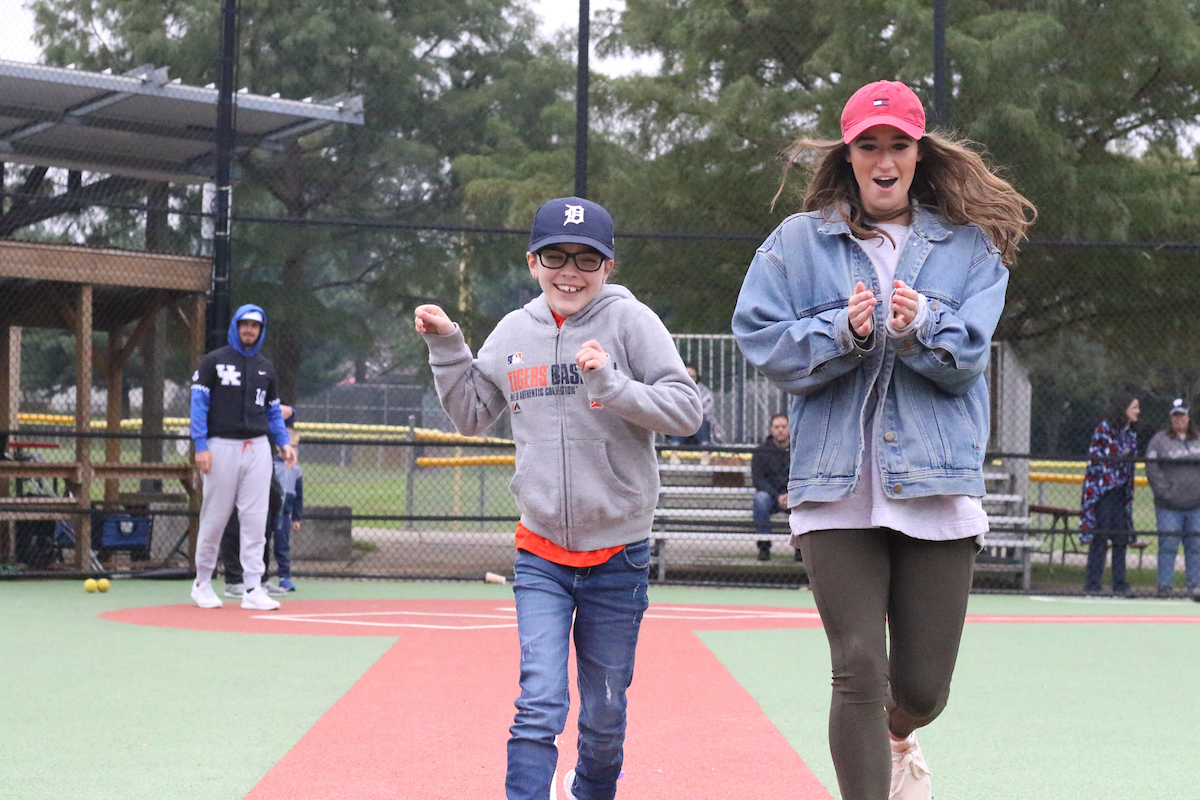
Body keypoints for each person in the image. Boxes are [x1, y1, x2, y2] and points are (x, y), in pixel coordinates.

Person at [732, 79, 1035, 800]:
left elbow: (966, 360)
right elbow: (761, 336)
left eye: (898, 144)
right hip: (834, 483)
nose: (884, 158)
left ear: (920, 154)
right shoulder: (796, 243)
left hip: (934, 478)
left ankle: (899, 735)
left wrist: (918, 323)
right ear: (849, 156)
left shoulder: (970, 248)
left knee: (924, 688)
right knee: (858, 668)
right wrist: (845, 330)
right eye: (869, 145)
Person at [414, 196, 702, 800]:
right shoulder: (514, 331)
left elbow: (685, 410)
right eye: (555, 257)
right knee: (540, 699)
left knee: (602, 716)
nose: (570, 272)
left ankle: (591, 789)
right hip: (540, 552)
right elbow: (471, 414)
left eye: (587, 259)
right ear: (532, 261)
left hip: (618, 555)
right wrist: (447, 347)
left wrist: (612, 385)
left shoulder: (631, 323)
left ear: (609, 267)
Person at [189, 304, 296, 611]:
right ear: (235, 326)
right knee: (216, 515)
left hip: (258, 448)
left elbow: (274, 410)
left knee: (255, 518)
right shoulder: (214, 361)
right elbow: (198, 405)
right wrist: (200, 445)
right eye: (244, 324)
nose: (249, 330)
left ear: (261, 330)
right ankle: (202, 583)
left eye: (255, 325)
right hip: (221, 446)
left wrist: (283, 442)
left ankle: (253, 587)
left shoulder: (266, 366)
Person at [219, 404, 292, 598]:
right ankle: (234, 580)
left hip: (261, 460)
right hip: (234, 456)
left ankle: (260, 578)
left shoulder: (262, 383)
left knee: (265, 516)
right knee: (234, 519)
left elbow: (287, 412)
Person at [1080, 392, 1140, 596]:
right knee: (1100, 537)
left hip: (1121, 493)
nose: (1138, 411)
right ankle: (1092, 584)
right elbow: (1100, 461)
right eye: (1134, 407)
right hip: (1103, 491)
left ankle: (1120, 584)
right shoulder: (1104, 429)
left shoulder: (1131, 434)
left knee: (1120, 538)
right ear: (1124, 409)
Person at [1145, 399, 1200, 598]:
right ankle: (1164, 586)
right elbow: (1152, 468)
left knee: (1196, 545)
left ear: (1188, 417)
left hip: (1196, 505)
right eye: (1175, 416)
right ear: (1171, 418)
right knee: (1168, 544)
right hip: (1169, 506)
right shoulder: (1159, 440)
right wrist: (1164, 492)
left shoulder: (1197, 438)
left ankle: (1195, 585)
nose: (1179, 419)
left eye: (1182, 415)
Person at [751, 413, 791, 561]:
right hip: (771, 497)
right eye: (777, 427)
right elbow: (758, 480)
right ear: (771, 430)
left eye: (783, 427)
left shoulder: (799, 451)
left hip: (792, 496)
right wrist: (777, 496)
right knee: (760, 499)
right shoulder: (761, 451)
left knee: (805, 502)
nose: (780, 430)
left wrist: (791, 495)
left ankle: (801, 550)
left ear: (789, 429)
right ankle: (764, 547)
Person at [271, 419, 304, 592]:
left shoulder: (296, 470)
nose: (293, 450)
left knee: (282, 546)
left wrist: (296, 517)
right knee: (261, 543)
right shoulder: (270, 464)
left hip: (285, 514)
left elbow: (299, 496)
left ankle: (284, 577)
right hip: (269, 512)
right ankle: (259, 578)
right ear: (279, 446)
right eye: (291, 446)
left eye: (296, 447)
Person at [666, 363, 722, 447]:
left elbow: (705, 411)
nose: (689, 379)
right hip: (682, 423)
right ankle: (674, 452)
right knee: (678, 419)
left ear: (697, 378)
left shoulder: (705, 392)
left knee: (701, 420)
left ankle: (705, 453)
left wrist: (688, 412)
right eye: (686, 376)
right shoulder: (674, 390)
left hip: (700, 426)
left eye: (692, 376)